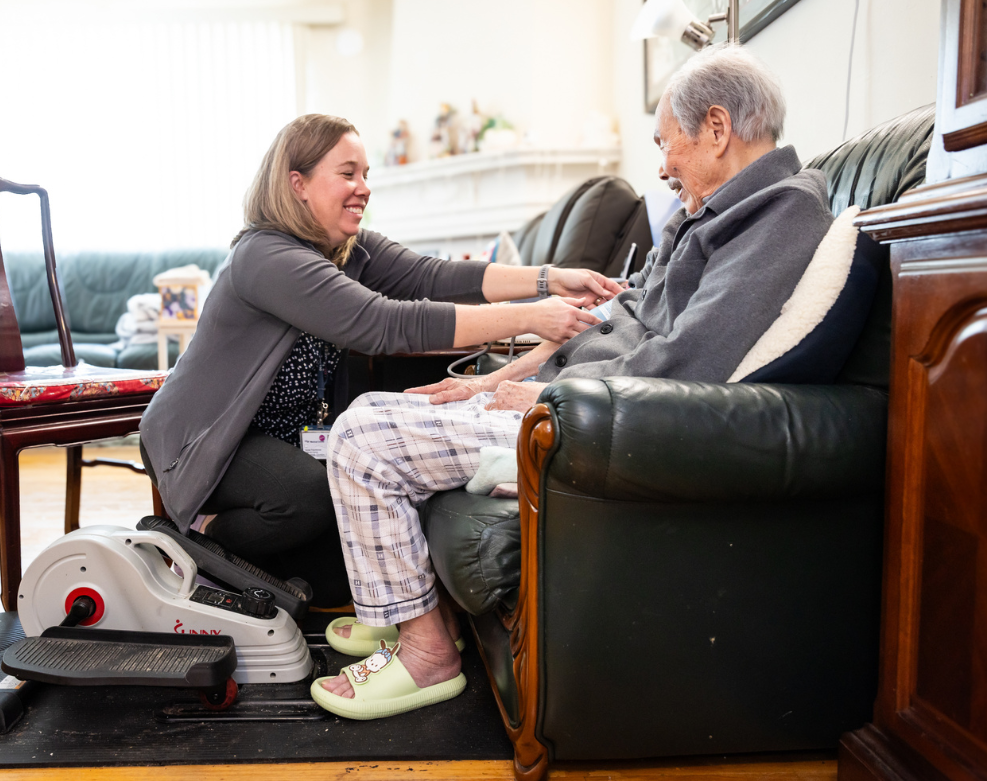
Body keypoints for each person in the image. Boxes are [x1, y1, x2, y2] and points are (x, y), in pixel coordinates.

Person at [312, 43, 835, 717]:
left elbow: (689, 365)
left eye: (665, 142)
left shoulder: (780, 216)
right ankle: (405, 610)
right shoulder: (711, 213)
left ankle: (427, 655)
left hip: (592, 420)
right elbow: (609, 317)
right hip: (571, 400)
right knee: (380, 407)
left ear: (716, 127)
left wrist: (544, 396)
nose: (662, 164)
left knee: (360, 437)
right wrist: (493, 381)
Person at [139, 113, 622, 608]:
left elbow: (432, 278)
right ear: (297, 184)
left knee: (341, 573)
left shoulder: (348, 250)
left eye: (366, 174)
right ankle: (200, 539)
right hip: (206, 440)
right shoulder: (266, 256)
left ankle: (252, 572)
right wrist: (530, 318)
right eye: (348, 174)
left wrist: (550, 280)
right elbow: (384, 323)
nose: (363, 188)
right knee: (310, 497)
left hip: (283, 436)